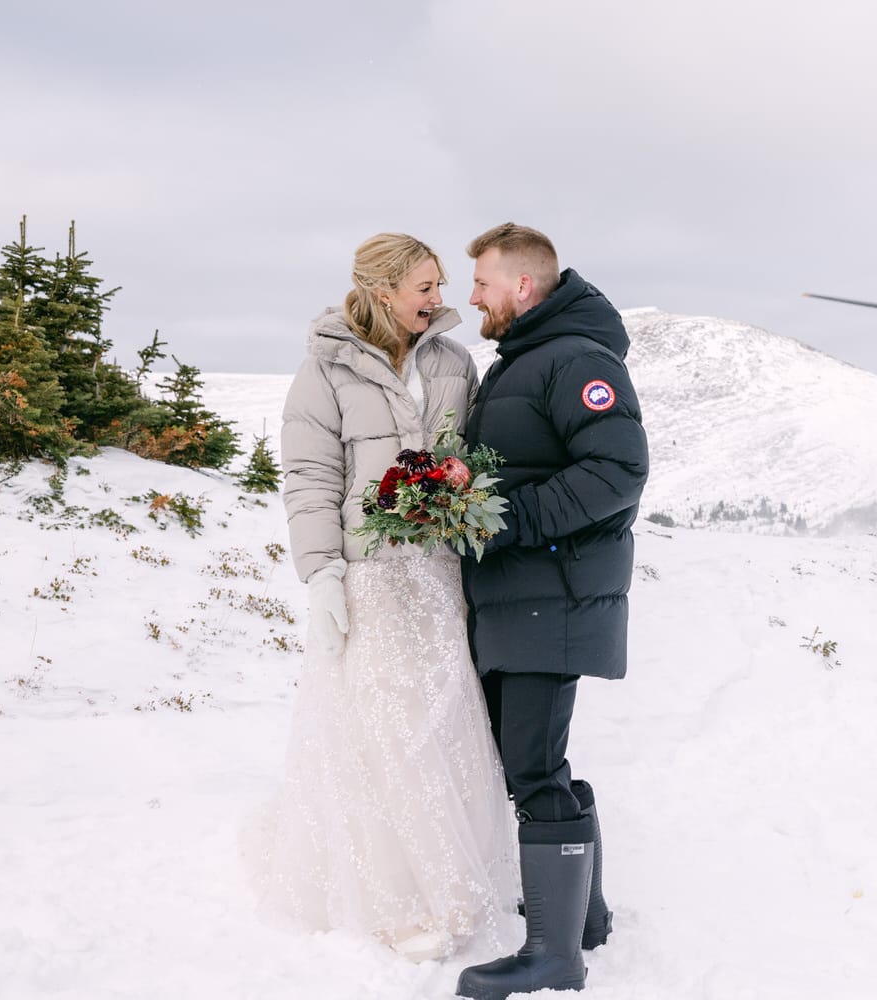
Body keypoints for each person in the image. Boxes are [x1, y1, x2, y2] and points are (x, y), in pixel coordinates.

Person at [249, 233, 521, 963]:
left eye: (439, 284)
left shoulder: (453, 361)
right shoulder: (325, 369)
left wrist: (460, 490)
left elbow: (467, 456)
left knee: (443, 721)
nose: (440, 299)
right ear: (379, 291)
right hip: (369, 578)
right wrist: (324, 576)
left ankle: (454, 886)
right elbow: (308, 479)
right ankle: (396, 904)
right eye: (425, 287)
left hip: (438, 573)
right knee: (386, 732)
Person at [454, 224, 648, 1000]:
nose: (472, 297)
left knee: (532, 768)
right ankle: (584, 919)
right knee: (529, 760)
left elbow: (618, 469)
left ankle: (552, 955)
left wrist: (514, 521)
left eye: (481, 283)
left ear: (523, 286)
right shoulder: (528, 361)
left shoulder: (577, 361)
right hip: (522, 594)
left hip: (550, 593)